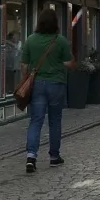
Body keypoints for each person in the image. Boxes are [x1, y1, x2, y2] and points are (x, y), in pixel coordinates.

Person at [21, 9, 75, 174]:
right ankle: (54, 156)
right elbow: (69, 63)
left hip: (37, 85)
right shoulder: (60, 41)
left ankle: (31, 157)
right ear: (55, 23)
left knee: (36, 120)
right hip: (56, 85)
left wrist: (29, 75)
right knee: (54, 120)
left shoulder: (30, 40)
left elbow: (24, 66)